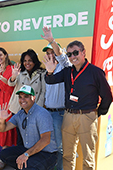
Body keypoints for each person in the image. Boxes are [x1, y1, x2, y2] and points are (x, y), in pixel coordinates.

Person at [44, 36, 112, 169]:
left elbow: (107, 97)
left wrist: (97, 113)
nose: (72, 56)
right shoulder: (67, 71)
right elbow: (50, 80)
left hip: (87, 117)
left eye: (76, 52)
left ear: (83, 52)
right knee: (67, 155)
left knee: (88, 157)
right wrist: (50, 71)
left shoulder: (95, 72)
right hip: (68, 116)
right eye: (69, 54)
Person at [0, 85, 58, 170]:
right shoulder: (20, 114)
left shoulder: (42, 113)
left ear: (33, 98)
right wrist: (2, 120)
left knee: (28, 166)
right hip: (29, 151)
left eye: (26, 97)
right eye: (20, 97)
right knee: (4, 154)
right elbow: (3, 128)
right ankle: (24, 166)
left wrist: (26, 155)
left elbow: (45, 140)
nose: (22, 100)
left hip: (46, 154)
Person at [41, 26, 72, 170]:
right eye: (48, 53)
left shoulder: (65, 66)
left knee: (59, 147)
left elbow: (61, 56)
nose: (50, 55)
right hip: (47, 112)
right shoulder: (46, 70)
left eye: (52, 52)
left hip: (60, 114)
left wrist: (52, 41)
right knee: (48, 145)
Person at [8, 49, 46, 145]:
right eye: (25, 61)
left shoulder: (42, 73)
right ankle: (20, 159)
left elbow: (43, 92)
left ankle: (30, 158)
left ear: (34, 61)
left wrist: (37, 109)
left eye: (29, 60)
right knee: (20, 137)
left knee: (32, 137)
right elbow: (11, 83)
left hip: (33, 110)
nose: (27, 63)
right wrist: (13, 76)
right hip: (19, 109)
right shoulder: (20, 73)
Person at [0, 47, 17, 170]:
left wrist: (0, 76)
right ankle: (3, 157)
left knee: (9, 128)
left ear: (6, 55)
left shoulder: (12, 68)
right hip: (2, 100)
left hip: (10, 101)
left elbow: (11, 86)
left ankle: (5, 158)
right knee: (1, 127)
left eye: (0, 55)